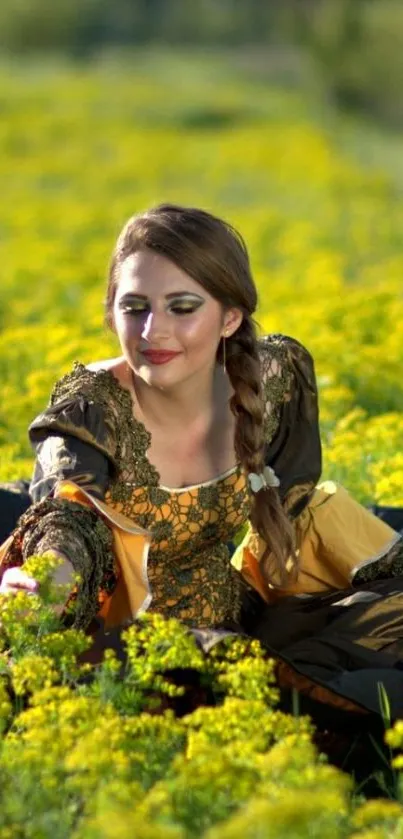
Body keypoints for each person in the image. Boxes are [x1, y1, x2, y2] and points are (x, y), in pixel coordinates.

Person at [1, 203, 403, 722]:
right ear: (111, 313)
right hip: (126, 640)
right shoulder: (89, 412)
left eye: (182, 307)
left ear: (229, 317)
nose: (153, 332)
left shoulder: (272, 377)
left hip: (235, 614)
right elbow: (70, 521)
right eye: (134, 307)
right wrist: (44, 584)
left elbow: (295, 494)